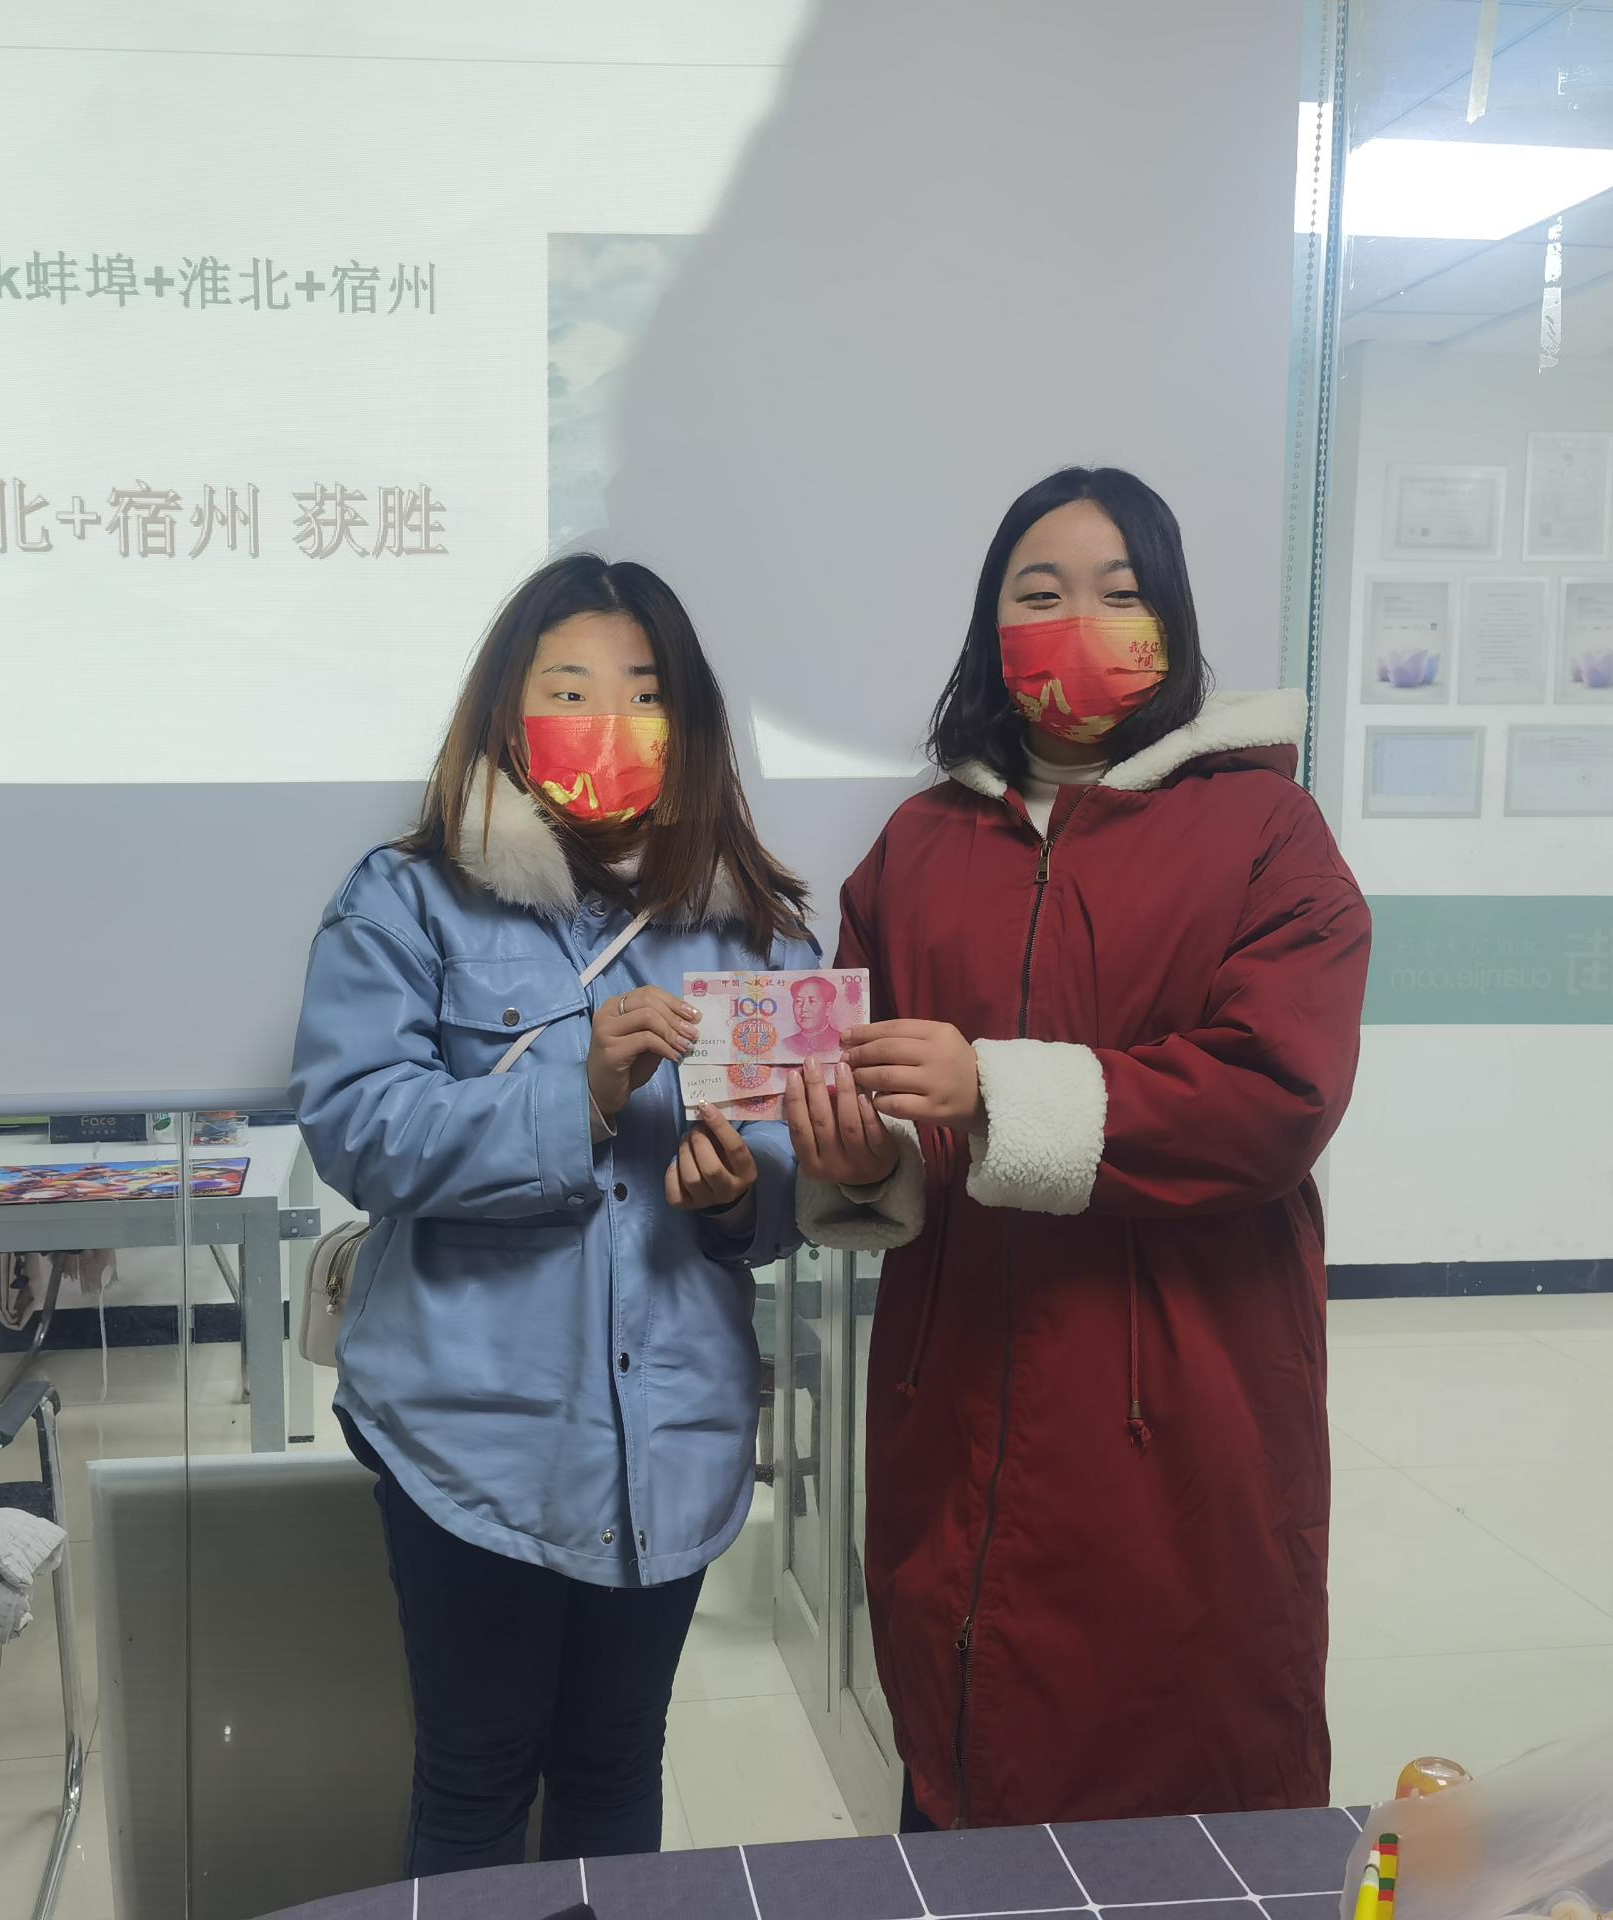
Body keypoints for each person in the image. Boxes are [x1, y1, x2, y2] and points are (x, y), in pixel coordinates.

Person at [786, 466, 1372, 1830]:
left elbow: (1277, 1092)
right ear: (990, 631)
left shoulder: (1265, 832)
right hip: (955, 1386)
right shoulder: (916, 846)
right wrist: (864, 1158)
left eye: (1120, 593)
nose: (1078, 626)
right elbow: (883, 1101)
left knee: (1187, 1761)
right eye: (1038, 596)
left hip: (1183, 1400)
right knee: (962, 1743)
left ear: (1172, 621)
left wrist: (992, 1088)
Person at [291, 554, 817, 1871]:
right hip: (470, 1438)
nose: (609, 723)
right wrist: (574, 1092)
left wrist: (747, 1194)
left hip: (676, 1434)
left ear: (692, 723)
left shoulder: (754, 929)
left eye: (644, 694)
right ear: (506, 714)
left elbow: (789, 1181)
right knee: (475, 1776)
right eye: (570, 691)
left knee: (615, 1764)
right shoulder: (404, 898)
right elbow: (356, 1127)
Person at [785, 973, 846, 1059]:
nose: (804, 1008)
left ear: (828, 1008)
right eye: (798, 1001)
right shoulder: (786, 1044)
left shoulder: (843, 1042)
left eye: (812, 1001)